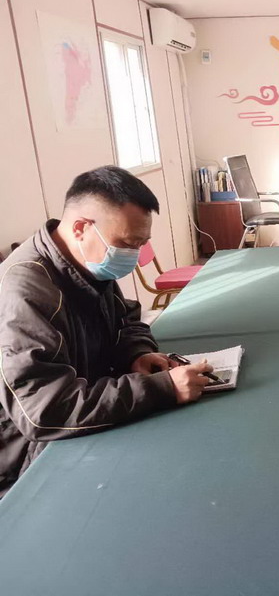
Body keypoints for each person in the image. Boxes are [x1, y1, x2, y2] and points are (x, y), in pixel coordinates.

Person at [0, 166, 213, 497]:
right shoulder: (26, 293)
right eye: (127, 243)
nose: (132, 256)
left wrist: (137, 354)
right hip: (34, 457)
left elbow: (125, 318)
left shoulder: (84, 264)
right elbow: (45, 412)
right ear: (82, 228)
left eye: (141, 244)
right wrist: (161, 388)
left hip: (91, 414)